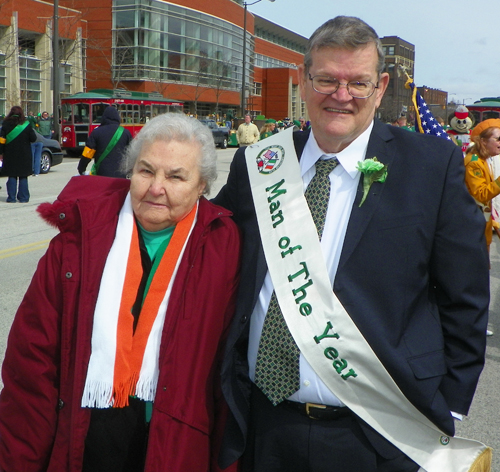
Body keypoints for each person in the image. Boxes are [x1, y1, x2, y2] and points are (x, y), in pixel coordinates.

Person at [214, 16, 489, 472]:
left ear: (380, 88)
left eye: (358, 83)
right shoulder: (259, 165)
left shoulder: (429, 165)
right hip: (264, 424)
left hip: (378, 431)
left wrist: (450, 401)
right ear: (304, 81)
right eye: (326, 79)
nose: (341, 96)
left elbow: (466, 295)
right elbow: (206, 243)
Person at [0, 113, 241, 472]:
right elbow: (30, 365)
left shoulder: (224, 246)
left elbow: (228, 378)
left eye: (176, 176)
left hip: (176, 444)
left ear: (202, 185)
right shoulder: (80, 237)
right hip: (85, 441)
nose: (156, 187)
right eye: (146, 171)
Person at [77, 105, 132, 178]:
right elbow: (132, 154)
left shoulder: (96, 133)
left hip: (102, 175)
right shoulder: (126, 133)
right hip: (121, 175)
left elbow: (87, 154)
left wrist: (81, 169)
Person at [0, 106, 37, 203]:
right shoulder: (26, 124)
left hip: (10, 153)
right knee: (23, 176)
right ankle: (23, 197)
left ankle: (11, 198)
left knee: (12, 175)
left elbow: (2, 140)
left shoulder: (5, 124)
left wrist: (1, 153)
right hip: (24, 154)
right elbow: (33, 139)